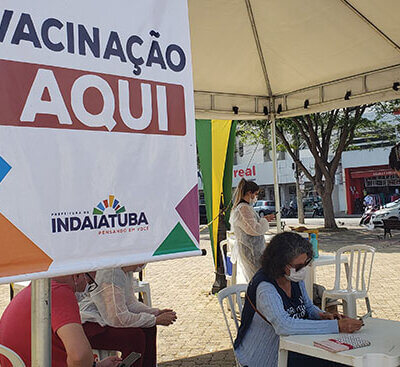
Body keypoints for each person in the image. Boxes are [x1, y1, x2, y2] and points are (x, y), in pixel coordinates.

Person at [234, 232, 363, 367]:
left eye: (306, 263)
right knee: (336, 363)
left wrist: (322, 315)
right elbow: (284, 325)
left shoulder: (293, 277)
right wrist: (337, 326)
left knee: (341, 358)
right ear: (279, 264)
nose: (303, 270)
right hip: (263, 356)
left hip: (292, 345)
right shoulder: (266, 288)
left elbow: (307, 306)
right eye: (298, 266)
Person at [0, 273, 121, 367]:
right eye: (90, 283)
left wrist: (96, 365)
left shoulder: (38, 289)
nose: (87, 288)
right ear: (77, 276)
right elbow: (79, 356)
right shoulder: (59, 292)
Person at [79, 265, 177, 367]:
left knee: (149, 328)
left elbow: (131, 304)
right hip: (90, 325)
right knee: (134, 337)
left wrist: (156, 313)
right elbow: (118, 318)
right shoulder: (111, 274)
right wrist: (154, 320)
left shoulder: (125, 271)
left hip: (105, 320)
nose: (142, 265)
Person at [230, 178, 273, 282]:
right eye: (256, 194)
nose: (256, 197)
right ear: (250, 193)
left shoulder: (245, 207)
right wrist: (263, 221)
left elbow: (252, 224)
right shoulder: (243, 208)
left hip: (252, 249)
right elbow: (254, 229)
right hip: (251, 250)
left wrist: (264, 219)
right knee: (257, 280)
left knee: (257, 278)